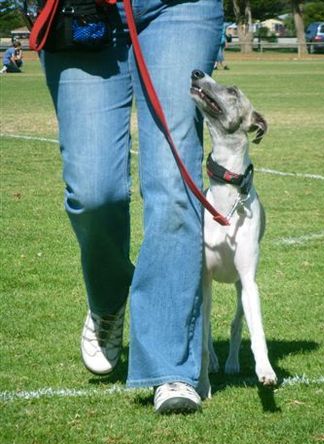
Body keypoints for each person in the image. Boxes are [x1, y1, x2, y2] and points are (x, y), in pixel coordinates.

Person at [42, 0, 223, 414]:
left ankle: (170, 364)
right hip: (80, 11)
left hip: (180, 9)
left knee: (174, 183)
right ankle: (108, 301)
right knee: (93, 192)